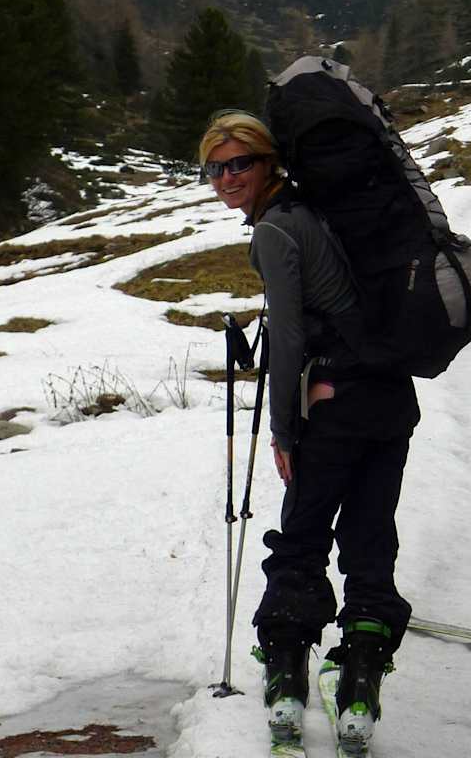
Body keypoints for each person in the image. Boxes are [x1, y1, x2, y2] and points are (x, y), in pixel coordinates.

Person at [198, 111, 419, 746]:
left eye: (242, 162)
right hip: (389, 397)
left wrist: (284, 430)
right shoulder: (320, 210)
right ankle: (360, 685)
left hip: (331, 401)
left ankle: (289, 677)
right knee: (371, 537)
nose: (229, 176)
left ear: (269, 163)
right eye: (217, 166)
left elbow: (291, 337)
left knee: (301, 538)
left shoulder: (275, 229)